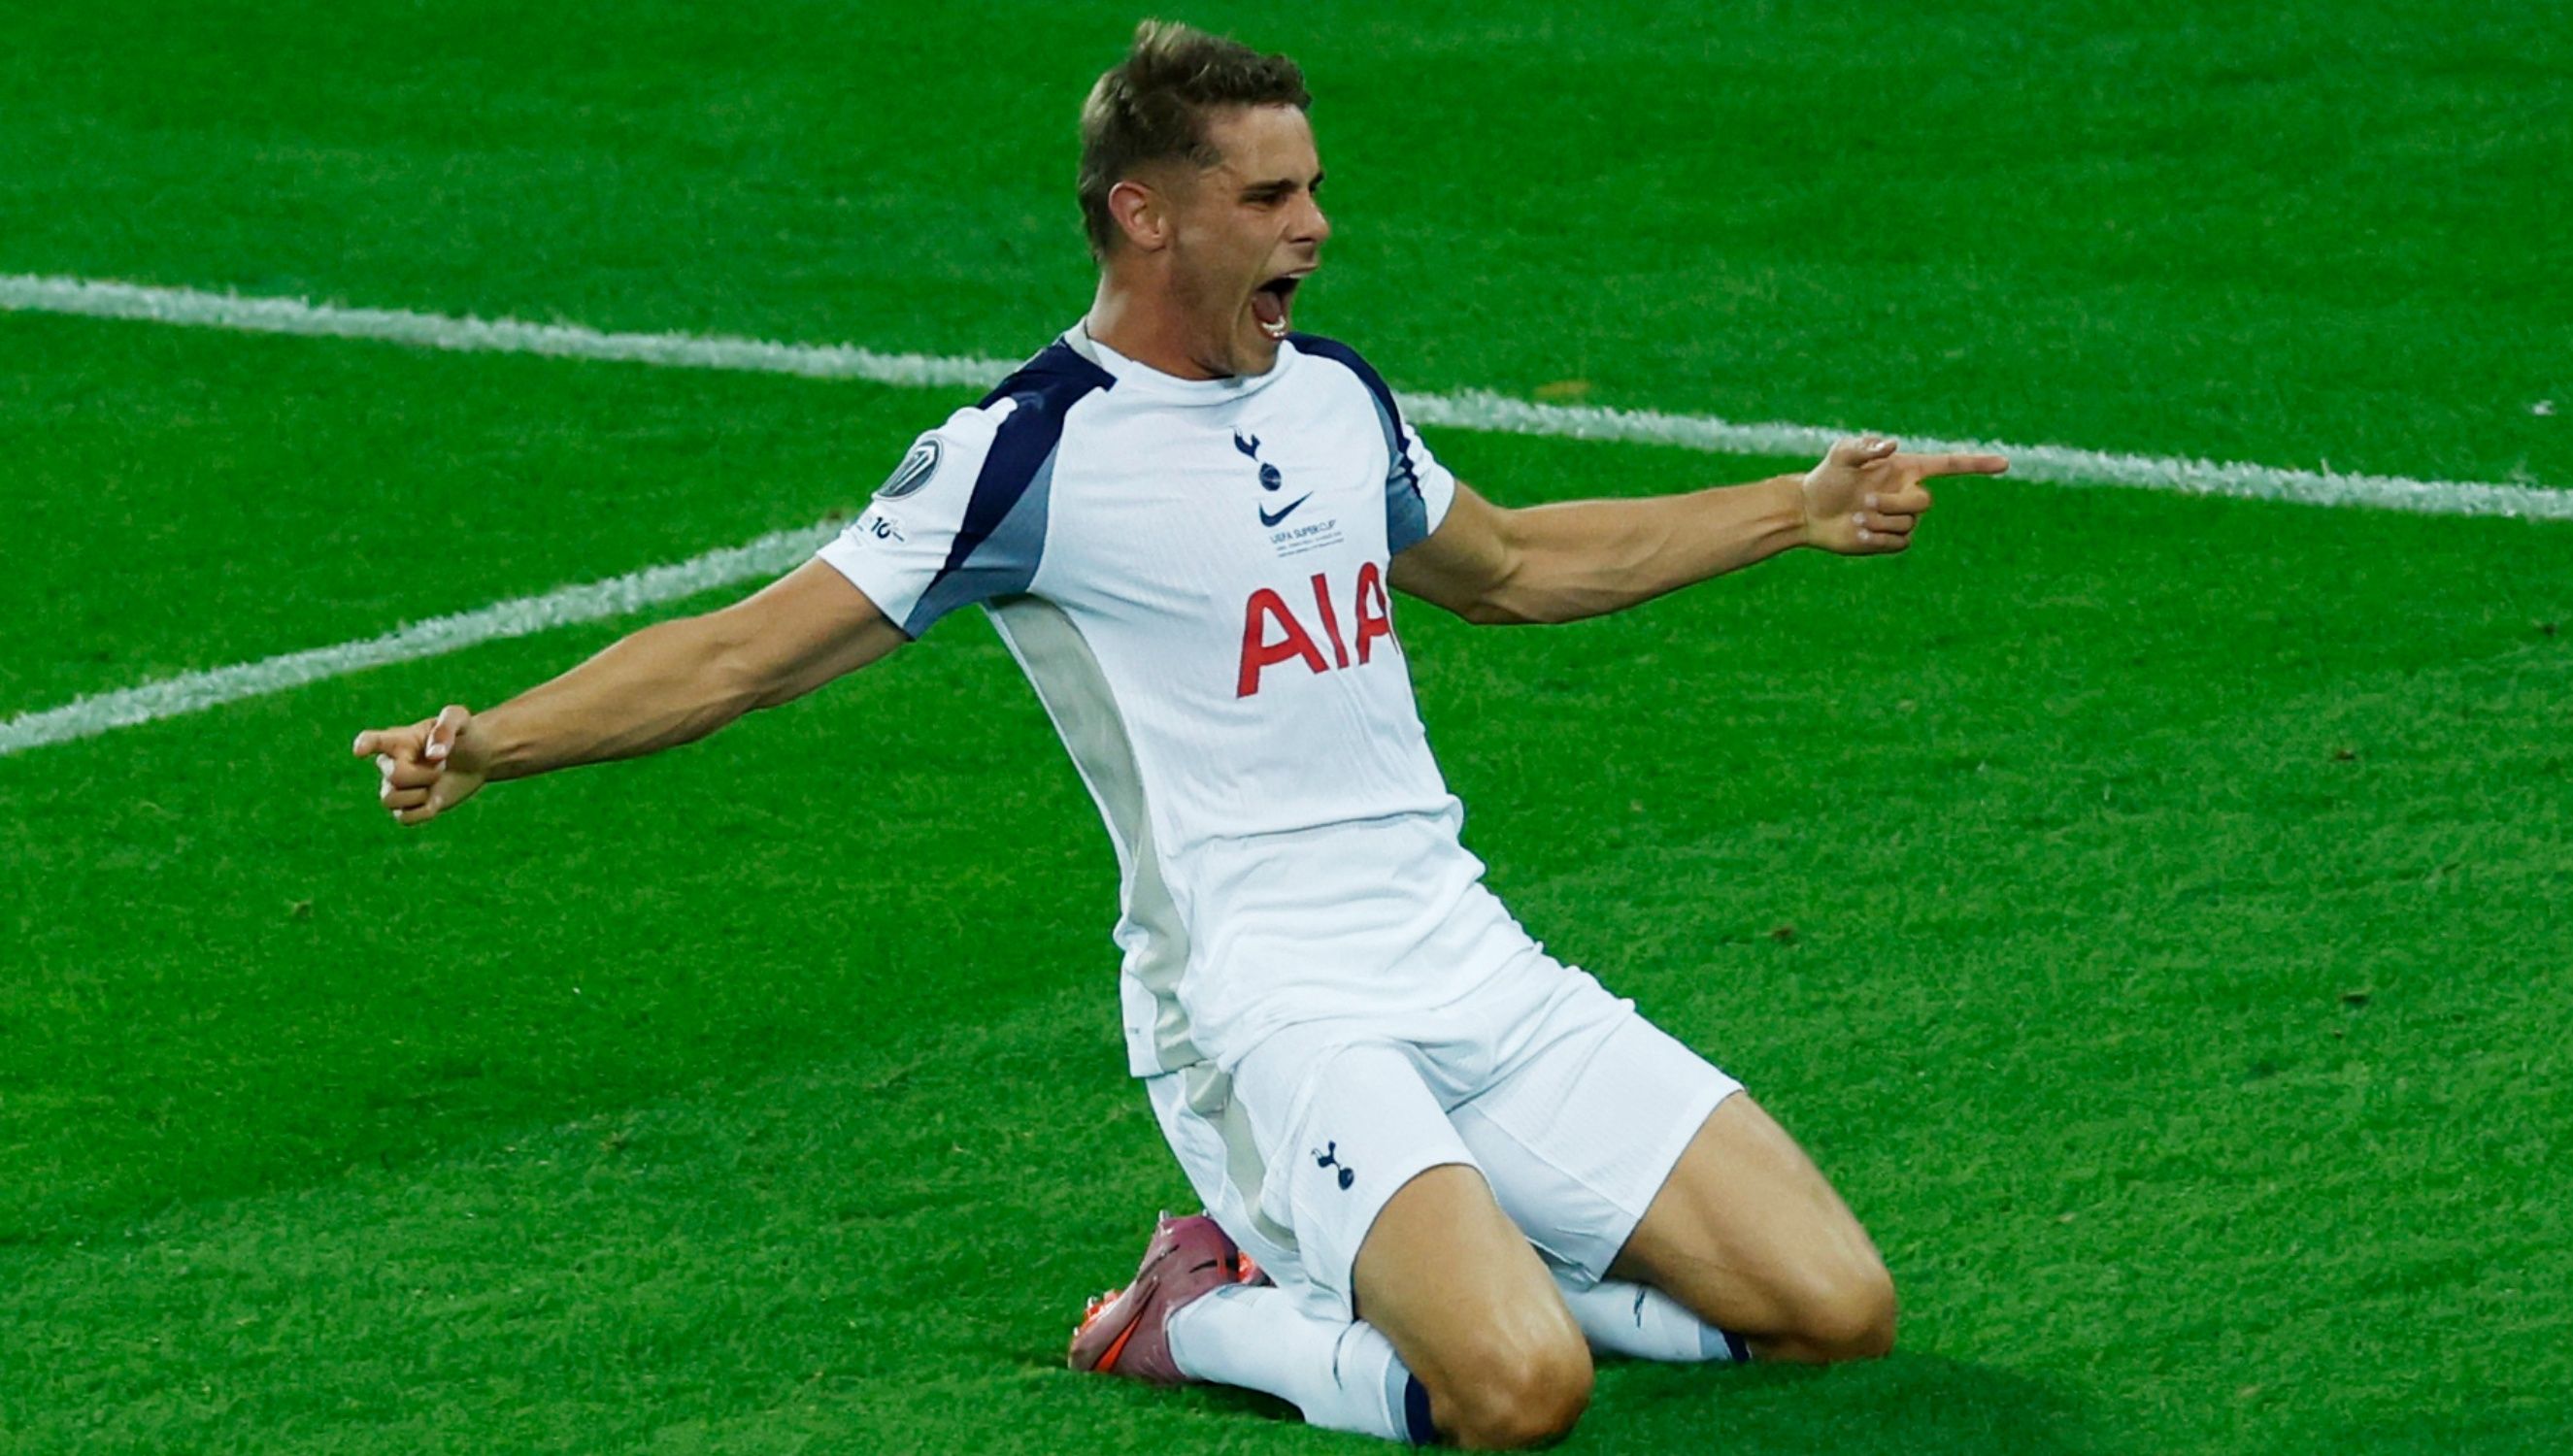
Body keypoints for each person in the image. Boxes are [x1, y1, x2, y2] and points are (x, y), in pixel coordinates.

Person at [350, 19, 2006, 1449]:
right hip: (1265, 1005)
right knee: (1522, 1395)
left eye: (1312, 190)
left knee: (1835, 1311)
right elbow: (743, 658)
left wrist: (1791, 511)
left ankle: (1453, 1232)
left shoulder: (1334, 395)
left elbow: (1506, 569)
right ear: (1147, 214)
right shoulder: (1022, 453)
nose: (1317, 227)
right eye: (1270, 198)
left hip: (1464, 954)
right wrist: (495, 741)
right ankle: (1197, 1307)